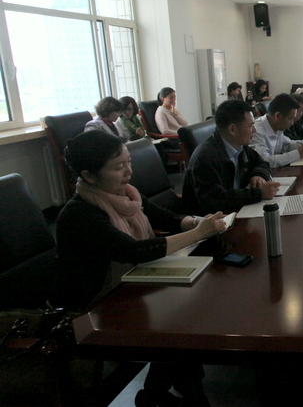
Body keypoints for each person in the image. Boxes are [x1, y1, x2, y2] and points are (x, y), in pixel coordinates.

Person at [52, 130, 227, 406]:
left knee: (188, 311)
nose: (129, 172)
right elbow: (134, 251)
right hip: (94, 308)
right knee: (179, 323)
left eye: (129, 162)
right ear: (88, 176)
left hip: (128, 286)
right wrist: (197, 234)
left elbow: (164, 217)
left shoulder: (126, 195)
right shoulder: (80, 214)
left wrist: (195, 222)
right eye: (119, 167)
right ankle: (173, 394)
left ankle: (159, 393)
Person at [183, 99, 280, 215]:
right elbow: (213, 201)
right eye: (251, 126)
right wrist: (258, 194)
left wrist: (258, 175)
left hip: (237, 210)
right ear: (232, 129)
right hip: (213, 220)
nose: (254, 130)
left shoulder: (240, 146)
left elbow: (262, 163)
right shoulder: (204, 158)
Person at [251, 93, 303, 167]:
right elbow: (265, 161)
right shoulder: (256, 131)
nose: (292, 123)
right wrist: (297, 154)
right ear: (278, 116)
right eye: (290, 119)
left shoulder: (276, 125)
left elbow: (287, 145)